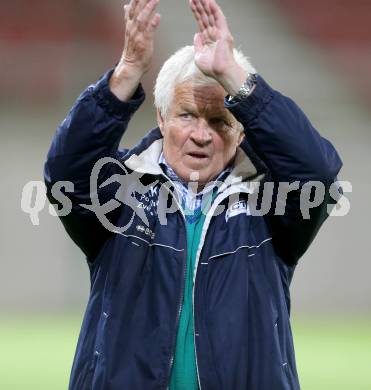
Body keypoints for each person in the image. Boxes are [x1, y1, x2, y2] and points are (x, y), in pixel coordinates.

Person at [44, 0, 342, 389]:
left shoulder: (268, 204)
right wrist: (128, 71)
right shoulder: (120, 195)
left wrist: (237, 78)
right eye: (187, 115)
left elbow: (317, 175)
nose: (201, 135)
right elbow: (64, 176)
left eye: (219, 121)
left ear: (242, 131)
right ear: (162, 118)